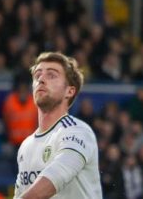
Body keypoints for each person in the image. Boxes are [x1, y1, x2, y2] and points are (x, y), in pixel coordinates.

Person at [14, 52, 102, 198]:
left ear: (69, 91)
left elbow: (54, 178)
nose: (41, 79)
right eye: (37, 75)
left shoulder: (78, 131)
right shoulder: (26, 146)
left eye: (51, 75)